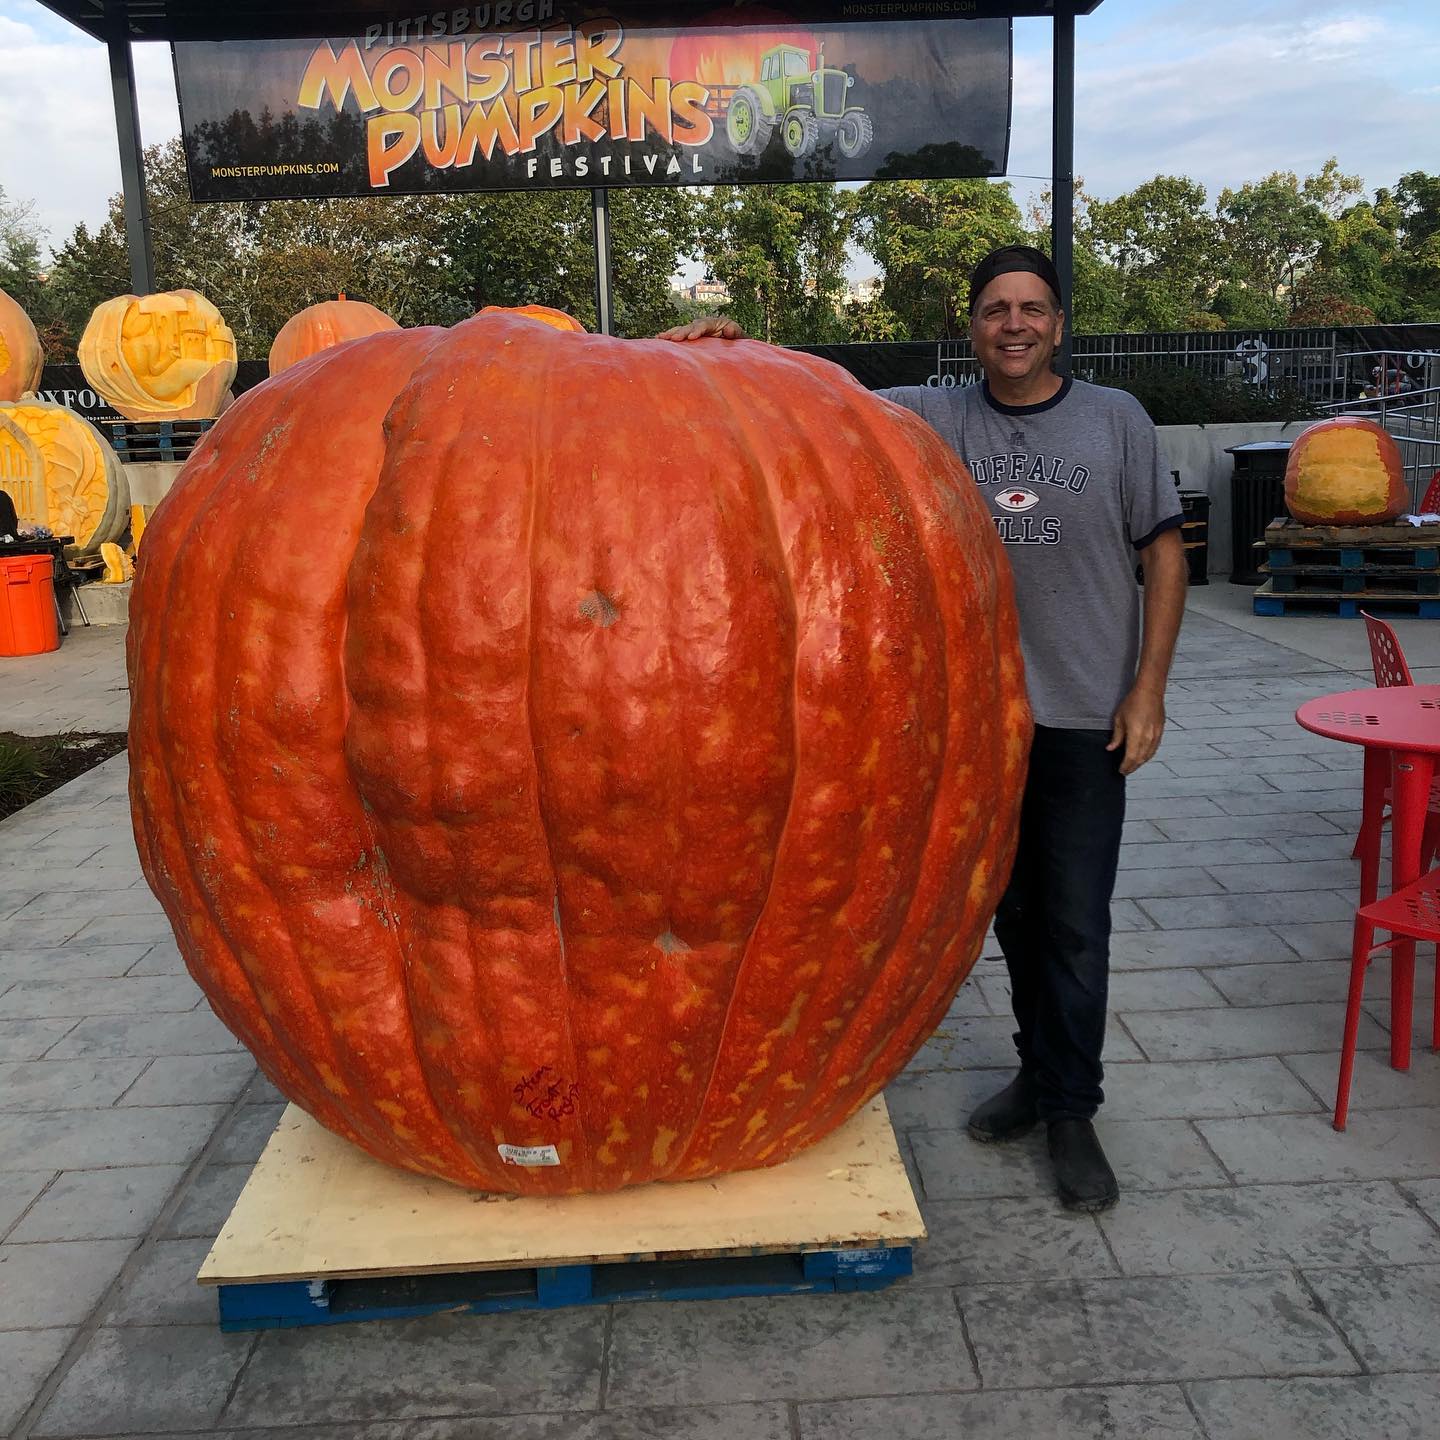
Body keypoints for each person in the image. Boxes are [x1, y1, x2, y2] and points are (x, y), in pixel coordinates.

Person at [659, 244, 1188, 1212]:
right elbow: (822, 398)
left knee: (1074, 923)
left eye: (1031, 308)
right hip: (980, 731)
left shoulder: (1116, 423)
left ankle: (1073, 1110)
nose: (1014, 325)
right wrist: (731, 346)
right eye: (996, 309)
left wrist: (1148, 688)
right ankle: (1038, 1073)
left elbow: (1164, 555)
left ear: (1059, 324)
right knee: (1010, 915)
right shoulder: (939, 414)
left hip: (1080, 721)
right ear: (973, 325)